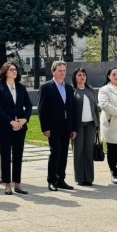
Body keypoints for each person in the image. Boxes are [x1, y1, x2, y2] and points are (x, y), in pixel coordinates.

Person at [38, 61, 77, 191]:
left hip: (66, 127)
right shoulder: (46, 87)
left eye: (64, 71)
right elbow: (42, 109)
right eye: (59, 71)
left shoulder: (69, 88)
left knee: (64, 154)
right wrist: (45, 128)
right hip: (53, 127)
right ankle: (51, 180)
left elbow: (72, 109)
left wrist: (73, 128)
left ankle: (61, 179)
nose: (62, 73)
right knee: (55, 153)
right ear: (53, 71)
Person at [0, 62, 32, 195]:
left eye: (15, 69)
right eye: (11, 70)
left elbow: (29, 105)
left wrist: (24, 119)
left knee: (18, 154)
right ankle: (7, 184)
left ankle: (18, 184)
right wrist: (11, 122)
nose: (14, 71)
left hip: (20, 126)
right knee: (5, 155)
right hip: (5, 126)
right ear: (5, 72)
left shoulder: (21, 87)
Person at [71, 68, 99, 186]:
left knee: (88, 150)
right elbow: (70, 111)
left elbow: (95, 108)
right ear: (75, 77)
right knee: (78, 151)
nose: (82, 77)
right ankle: (80, 178)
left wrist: (97, 127)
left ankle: (89, 178)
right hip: (78, 126)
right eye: (79, 75)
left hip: (91, 125)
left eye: (84, 75)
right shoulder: (72, 91)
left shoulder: (90, 90)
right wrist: (72, 128)